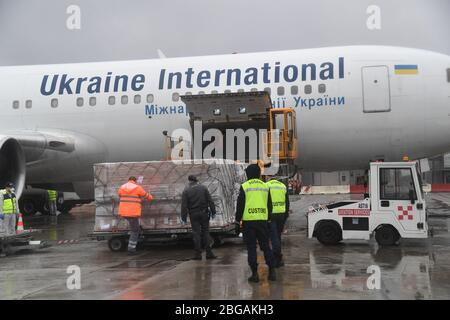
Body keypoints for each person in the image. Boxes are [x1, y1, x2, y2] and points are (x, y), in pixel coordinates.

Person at [235, 164, 276, 283]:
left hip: (249, 223)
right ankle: (272, 271)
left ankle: (254, 274)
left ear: (248, 173)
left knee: (251, 248)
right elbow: (269, 205)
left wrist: (237, 221)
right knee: (266, 247)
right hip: (262, 221)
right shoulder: (265, 186)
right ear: (258, 173)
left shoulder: (245, 186)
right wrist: (268, 219)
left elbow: (240, 205)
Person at [181, 175, 217, 260]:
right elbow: (210, 200)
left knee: (196, 234)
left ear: (189, 181)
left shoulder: (186, 190)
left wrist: (184, 217)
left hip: (193, 215)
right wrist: (213, 211)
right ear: (196, 180)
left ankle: (198, 254)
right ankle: (209, 253)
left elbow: (184, 205)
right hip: (204, 213)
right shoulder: (203, 188)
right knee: (206, 233)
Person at [118, 176, 153, 255]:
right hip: (132, 213)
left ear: (129, 180)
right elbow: (147, 196)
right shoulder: (137, 187)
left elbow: (119, 194)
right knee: (135, 231)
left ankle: (136, 236)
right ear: (135, 181)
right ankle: (131, 249)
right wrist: (151, 197)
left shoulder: (122, 187)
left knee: (134, 227)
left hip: (123, 213)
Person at [266, 178, 290, 267]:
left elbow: (265, 201)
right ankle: (278, 259)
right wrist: (286, 214)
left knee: (273, 237)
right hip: (281, 214)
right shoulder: (282, 186)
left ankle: (277, 258)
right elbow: (287, 202)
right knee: (278, 236)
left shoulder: (267, 185)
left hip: (271, 214)